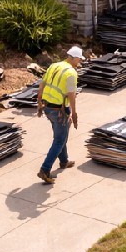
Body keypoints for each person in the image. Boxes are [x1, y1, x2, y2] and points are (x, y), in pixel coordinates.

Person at [36, 46, 84, 183]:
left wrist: (39, 102)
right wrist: (74, 114)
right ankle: (45, 170)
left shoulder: (54, 65)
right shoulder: (71, 73)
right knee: (59, 140)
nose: (80, 61)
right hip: (59, 110)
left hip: (47, 107)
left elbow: (42, 84)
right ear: (73, 57)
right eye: (79, 59)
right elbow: (71, 95)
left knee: (60, 136)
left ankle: (64, 161)